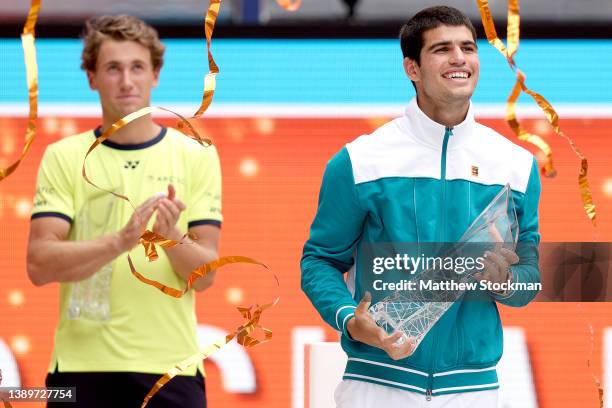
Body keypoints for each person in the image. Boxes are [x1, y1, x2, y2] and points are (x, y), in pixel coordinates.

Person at [301, 6, 540, 407]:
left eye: (468, 47)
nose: (459, 58)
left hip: (475, 391)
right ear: (412, 68)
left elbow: (530, 274)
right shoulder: (361, 160)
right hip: (376, 387)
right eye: (442, 49)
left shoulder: (516, 165)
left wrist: (508, 282)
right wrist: (349, 319)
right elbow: (319, 260)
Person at [27, 15, 222, 407]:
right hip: (80, 369)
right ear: (92, 78)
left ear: (155, 75)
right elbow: (39, 264)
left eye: (137, 67)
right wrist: (121, 241)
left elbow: (205, 277)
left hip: (171, 369)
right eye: (112, 68)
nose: (127, 81)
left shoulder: (195, 154)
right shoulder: (64, 156)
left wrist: (169, 238)